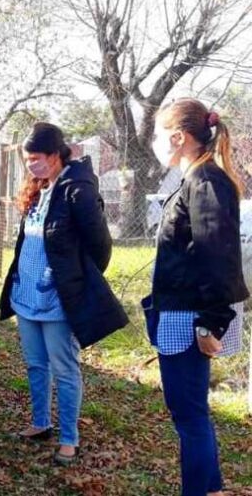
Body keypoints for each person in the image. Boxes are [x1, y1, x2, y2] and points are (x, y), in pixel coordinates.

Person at [0, 123, 128, 465]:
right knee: (36, 365)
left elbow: (100, 247)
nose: (31, 165)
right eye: (27, 159)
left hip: (57, 300)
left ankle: (69, 438)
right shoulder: (41, 188)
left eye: (36, 158)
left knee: (64, 367)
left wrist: (75, 281)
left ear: (55, 155)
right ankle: (40, 422)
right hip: (27, 296)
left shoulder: (77, 190)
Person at [147, 99, 248, 496]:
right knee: (190, 414)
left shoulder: (206, 182)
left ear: (179, 137)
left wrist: (211, 323)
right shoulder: (192, 178)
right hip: (180, 316)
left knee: (189, 417)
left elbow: (217, 256)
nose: (155, 142)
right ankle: (211, 489)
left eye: (158, 134)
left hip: (193, 321)